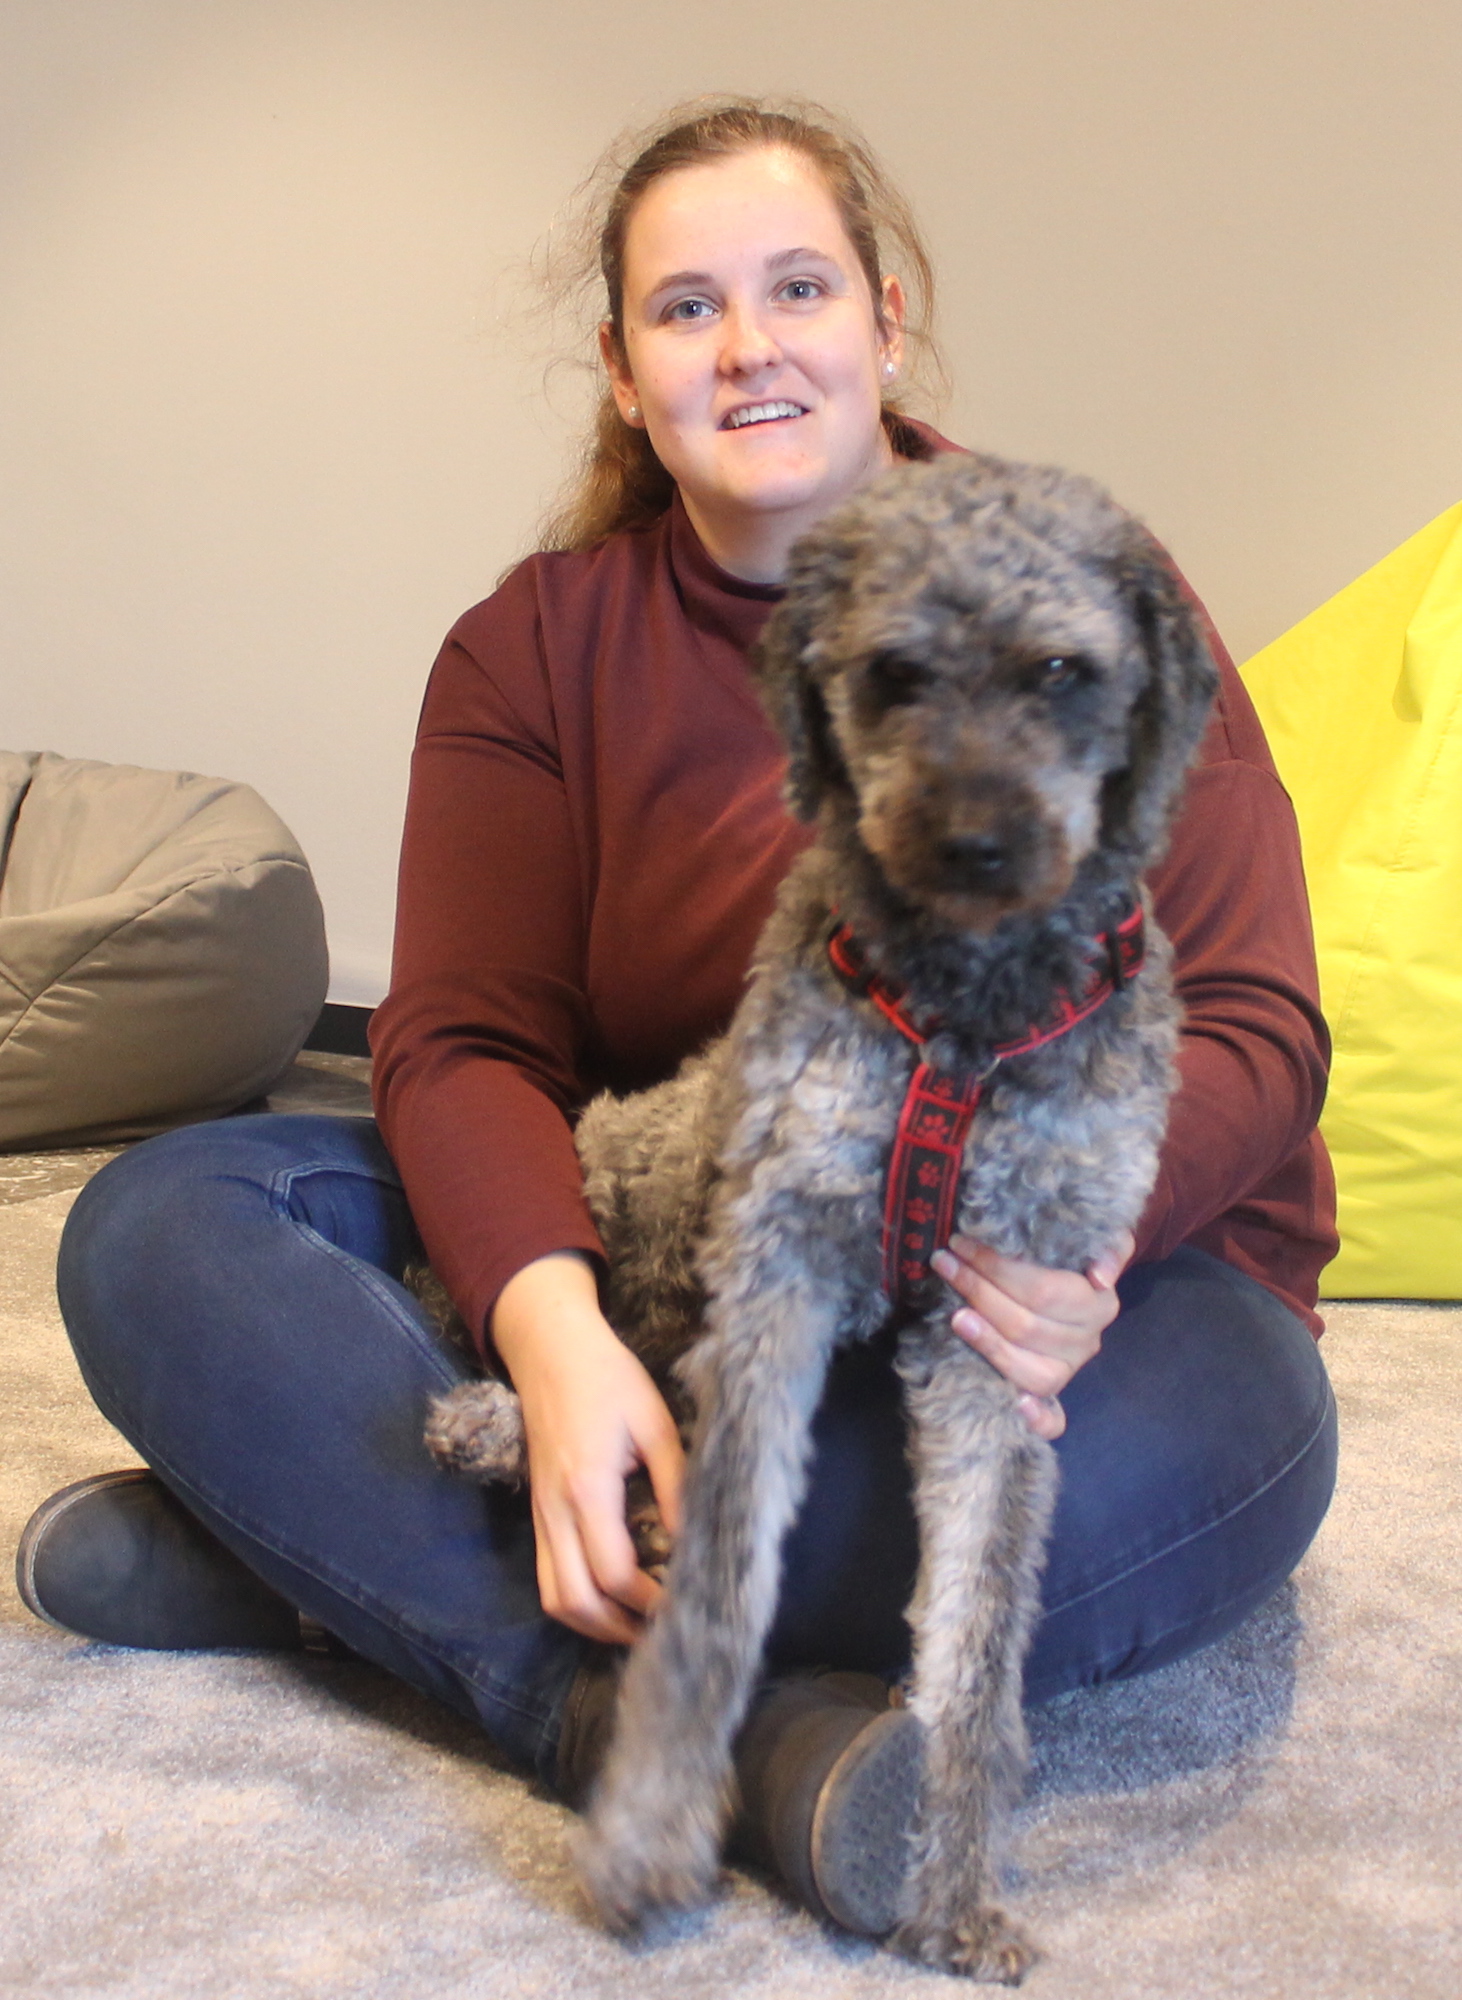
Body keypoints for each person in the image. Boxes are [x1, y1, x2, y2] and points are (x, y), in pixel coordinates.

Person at [18, 98, 1339, 1933]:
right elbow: (461, 1043)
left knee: (1236, 1436)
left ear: (886, 320)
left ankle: (316, 1554)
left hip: (1055, 1317)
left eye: (795, 287)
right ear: (624, 377)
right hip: (703, 1264)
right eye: (684, 308)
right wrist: (555, 1341)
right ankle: (632, 1711)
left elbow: (1264, 1023)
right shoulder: (534, 646)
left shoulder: (1085, 590)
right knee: (168, 1225)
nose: (748, 344)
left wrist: (1085, 1251)